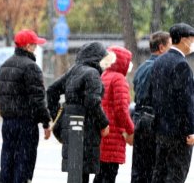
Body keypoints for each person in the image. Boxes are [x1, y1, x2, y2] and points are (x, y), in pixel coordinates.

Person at [46, 42, 110, 183]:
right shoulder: (92, 74)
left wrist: (59, 119)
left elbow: (51, 91)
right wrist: (104, 123)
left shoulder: (74, 70)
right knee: (82, 174)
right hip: (86, 129)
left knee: (76, 174)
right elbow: (93, 101)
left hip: (72, 128)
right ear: (97, 58)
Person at [0, 29, 51, 183]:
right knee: (23, 165)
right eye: (34, 45)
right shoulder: (31, 67)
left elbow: (0, 98)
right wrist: (46, 122)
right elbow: (38, 99)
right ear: (28, 46)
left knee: (7, 163)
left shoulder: (5, 65)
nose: (36, 48)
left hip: (7, 123)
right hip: (26, 124)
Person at [150, 23, 194, 183]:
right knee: (176, 175)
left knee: (160, 175)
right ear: (184, 40)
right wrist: (191, 130)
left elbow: (153, 95)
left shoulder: (159, 62)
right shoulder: (181, 65)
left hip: (161, 130)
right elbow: (186, 101)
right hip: (179, 133)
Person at [131, 31, 171, 183]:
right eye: (170, 46)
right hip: (154, 122)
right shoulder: (161, 67)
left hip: (140, 120)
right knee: (155, 169)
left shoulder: (141, 68)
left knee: (139, 168)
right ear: (161, 48)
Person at [93, 46, 135, 183]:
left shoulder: (103, 76)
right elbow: (121, 110)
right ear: (122, 61)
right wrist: (130, 130)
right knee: (108, 176)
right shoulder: (119, 79)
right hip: (114, 136)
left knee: (101, 176)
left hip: (102, 135)